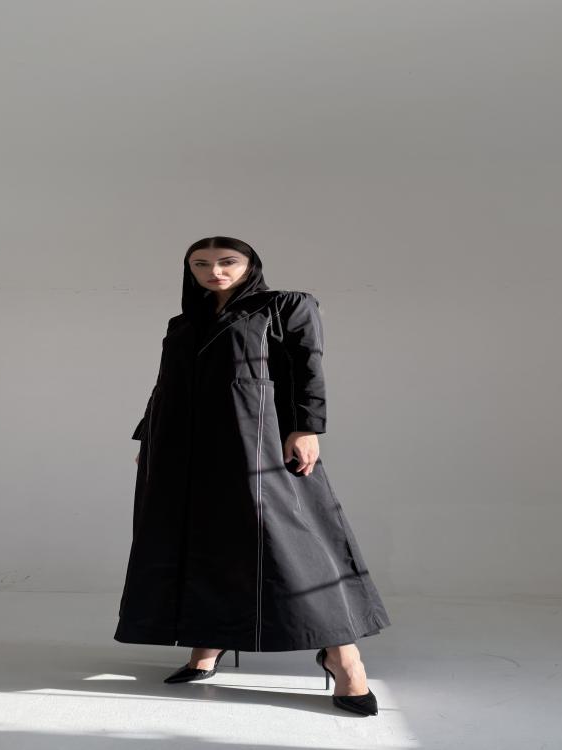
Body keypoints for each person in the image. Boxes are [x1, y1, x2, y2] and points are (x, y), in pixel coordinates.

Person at [115, 236, 391, 716]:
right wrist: (148, 436)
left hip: (256, 438)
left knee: (292, 544)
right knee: (200, 538)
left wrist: (306, 427)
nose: (214, 271)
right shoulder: (184, 322)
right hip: (181, 445)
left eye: (227, 262)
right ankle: (209, 641)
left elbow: (307, 366)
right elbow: (166, 383)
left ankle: (343, 656)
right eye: (201, 264)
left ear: (250, 265)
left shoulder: (285, 306)